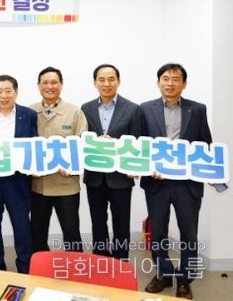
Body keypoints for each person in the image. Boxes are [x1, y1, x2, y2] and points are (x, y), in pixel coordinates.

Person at [141, 63, 212, 300]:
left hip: (186, 184)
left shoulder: (197, 109)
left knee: (189, 234)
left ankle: (185, 279)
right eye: (165, 78)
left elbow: (205, 144)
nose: (170, 83)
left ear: (184, 83)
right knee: (158, 233)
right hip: (157, 182)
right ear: (158, 82)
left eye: (175, 79)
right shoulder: (145, 109)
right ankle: (163, 274)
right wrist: (147, 167)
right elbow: (140, 145)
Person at [0, 75, 38, 273]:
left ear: (16, 92)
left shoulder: (28, 115)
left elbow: (34, 143)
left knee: (22, 226)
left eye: (8, 91)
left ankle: (25, 266)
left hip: (18, 180)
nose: (3, 95)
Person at [81, 64, 141, 260]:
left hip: (121, 177)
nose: (106, 84)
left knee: (121, 224)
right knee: (98, 222)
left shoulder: (132, 109)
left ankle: (120, 262)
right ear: (95, 82)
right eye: (102, 79)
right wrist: (96, 142)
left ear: (118, 81)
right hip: (94, 177)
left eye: (111, 79)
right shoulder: (86, 108)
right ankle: (101, 260)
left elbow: (136, 142)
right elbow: (82, 140)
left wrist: (116, 146)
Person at [29, 66, 87, 253]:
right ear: (38, 86)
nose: (49, 86)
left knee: (71, 232)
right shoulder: (29, 112)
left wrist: (72, 165)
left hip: (66, 185)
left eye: (54, 82)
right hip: (38, 186)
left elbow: (82, 146)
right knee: (37, 233)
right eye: (45, 82)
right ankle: (40, 266)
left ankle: (76, 266)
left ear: (61, 85)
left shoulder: (74, 112)